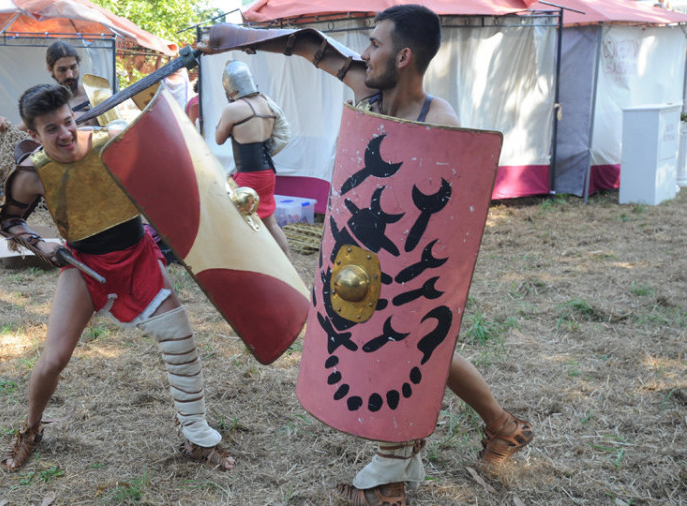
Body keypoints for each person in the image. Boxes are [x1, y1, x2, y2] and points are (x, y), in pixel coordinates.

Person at [201, 5, 533, 504]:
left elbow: (442, 220)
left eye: (374, 43)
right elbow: (310, 47)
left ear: (402, 56)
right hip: (361, 258)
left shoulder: (439, 121)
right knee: (417, 353)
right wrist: (240, 36)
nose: (364, 52)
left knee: (402, 350)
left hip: (407, 264)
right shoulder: (366, 91)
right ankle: (500, 426)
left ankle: (390, 481)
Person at [0, 83, 235, 473]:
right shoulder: (33, 174)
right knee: (53, 359)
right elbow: (8, 220)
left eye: (68, 121)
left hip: (138, 257)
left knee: (180, 338)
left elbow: (173, 170)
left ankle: (196, 436)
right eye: (51, 129)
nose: (65, 133)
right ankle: (31, 431)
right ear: (34, 135)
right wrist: (40, 244)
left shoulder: (114, 143)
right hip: (85, 264)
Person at [214, 60, 292, 258]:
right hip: (268, 173)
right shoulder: (266, 103)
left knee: (231, 220)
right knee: (270, 223)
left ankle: (245, 262)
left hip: (249, 177)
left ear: (230, 89)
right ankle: (287, 262)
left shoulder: (232, 109)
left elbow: (219, 138)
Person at [0, 40, 95, 135]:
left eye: (73, 67)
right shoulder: (49, 100)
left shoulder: (95, 95)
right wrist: (4, 125)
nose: (70, 75)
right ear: (50, 70)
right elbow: (16, 132)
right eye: (62, 70)